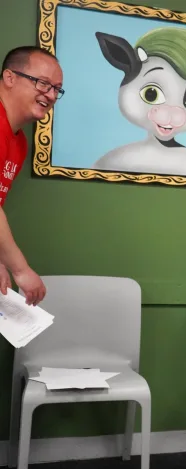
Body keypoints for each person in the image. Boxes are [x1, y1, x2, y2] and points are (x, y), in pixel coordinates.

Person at [0, 46, 63, 306]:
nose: (50, 95)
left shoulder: (20, 142)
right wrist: (21, 270)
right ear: (10, 77)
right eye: (42, 83)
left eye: (57, 89)